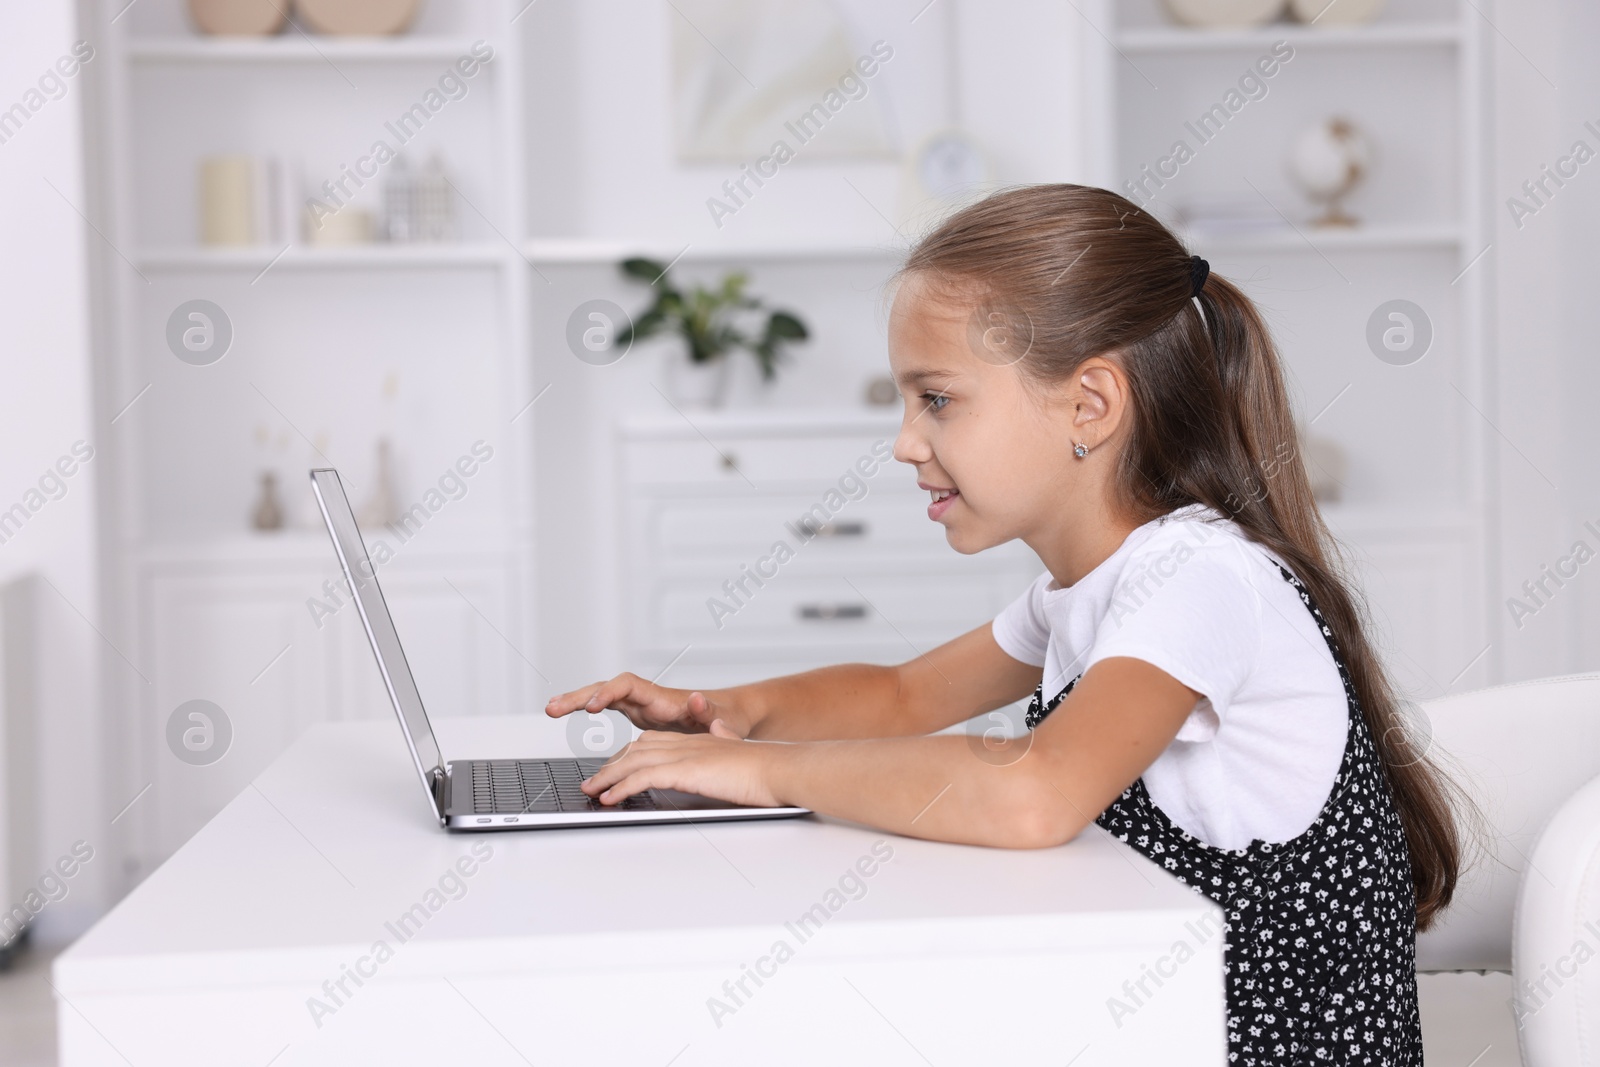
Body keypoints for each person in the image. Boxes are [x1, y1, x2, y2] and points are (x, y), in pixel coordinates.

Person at [545, 184, 1461, 1063]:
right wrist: (718, 712)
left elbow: (1036, 792)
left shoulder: (1199, 578)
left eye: (937, 398)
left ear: (1089, 407)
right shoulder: (1087, 587)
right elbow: (902, 694)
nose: (905, 441)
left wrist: (756, 771)